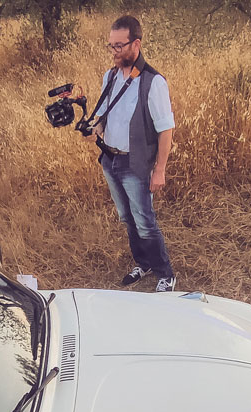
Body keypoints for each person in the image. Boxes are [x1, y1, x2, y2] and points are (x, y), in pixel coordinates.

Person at [94, 15, 177, 293]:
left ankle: (165, 273)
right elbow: (104, 115)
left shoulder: (154, 82)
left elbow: (166, 130)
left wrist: (160, 169)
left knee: (144, 221)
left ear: (136, 44)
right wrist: (94, 127)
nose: (115, 52)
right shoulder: (109, 76)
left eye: (120, 46)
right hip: (110, 159)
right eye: (111, 46)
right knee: (126, 218)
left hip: (135, 163)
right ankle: (143, 263)